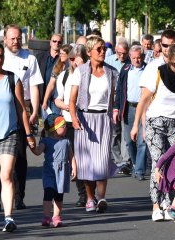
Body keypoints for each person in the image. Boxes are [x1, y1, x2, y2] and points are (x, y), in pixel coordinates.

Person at [130, 43, 175, 222]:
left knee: (174, 164)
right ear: (169, 61)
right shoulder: (158, 73)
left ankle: (167, 202)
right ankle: (156, 205)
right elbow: (143, 101)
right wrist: (135, 126)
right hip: (155, 122)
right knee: (159, 161)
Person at [69, 35, 119, 213]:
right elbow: (72, 100)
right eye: (98, 49)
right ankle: (90, 198)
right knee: (87, 163)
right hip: (85, 119)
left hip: (103, 119)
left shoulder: (112, 72)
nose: (102, 52)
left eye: (104, 49)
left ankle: (102, 197)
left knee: (102, 160)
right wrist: (74, 120)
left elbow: (114, 97)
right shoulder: (80, 71)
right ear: (89, 52)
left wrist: (115, 112)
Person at [0, 41, 35, 232]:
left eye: (0, 55)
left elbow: (21, 109)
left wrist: (28, 133)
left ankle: (9, 217)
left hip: (9, 134)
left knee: (6, 174)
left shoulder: (12, 79)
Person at [2, 24, 43, 210]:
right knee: (1, 155)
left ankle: (19, 196)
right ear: (5, 39)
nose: (15, 41)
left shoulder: (30, 58)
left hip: (23, 109)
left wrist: (34, 110)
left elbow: (34, 86)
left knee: (20, 155)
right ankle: (1, 195)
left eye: (18, 38)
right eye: (12, 38)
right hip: (2, 109)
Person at [54, 44, 88, 207]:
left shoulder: (90, 74)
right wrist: (67, 106)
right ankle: (83, 194)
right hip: (69, 120)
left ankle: (91, 193)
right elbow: (57, 99)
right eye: (72, 59)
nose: (74, 62)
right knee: (74, 158)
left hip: (89, 119)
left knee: (88, 158)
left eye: (77, 59)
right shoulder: (64, 76)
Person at [31, 113, 76, 227]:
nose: (66, 128)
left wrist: (74, 168)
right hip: (49, 171)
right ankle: (46, 216)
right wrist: (32, 146)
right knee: (48, 193)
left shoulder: (66, 141)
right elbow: (38, 152)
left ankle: (56, 216)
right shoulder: (45, 141)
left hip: (62, 172)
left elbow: (71, 156)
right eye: (63, 126)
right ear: (55, 128)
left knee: (58, 196)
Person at [113, 45, 147, 181]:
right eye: (134, 58)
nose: (137, 60)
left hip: (144, 108)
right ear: (130, 58)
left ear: (143, 57)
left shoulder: (148, 69)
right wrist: (116, 108)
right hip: (128, 109)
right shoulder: (125, 69)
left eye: (139, 58)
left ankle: (139, 170)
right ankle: (134, 164)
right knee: (128, 141)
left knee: (142, 141)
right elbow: (119, 90)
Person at [105, 37, 132, 174]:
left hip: (125, 100)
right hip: (112, 99)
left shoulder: (131, 62)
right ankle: (118, 159)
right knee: (114, 132)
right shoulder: (109, 62)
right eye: (119, 53)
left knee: (125, 131)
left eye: (124, 53)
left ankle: (125, 162)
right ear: (115, 51)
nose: (122, 56)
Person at [42, 44, 73, 113]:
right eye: (60, 53)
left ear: (69, 55)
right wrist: (45, 101)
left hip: (68, 101)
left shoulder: (73, 67)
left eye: (63, 54)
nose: (60, 55)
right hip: (57, 99)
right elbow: (51, 84)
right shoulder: (58, 65)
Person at [36, 33, 63, 108]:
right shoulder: (40, 57)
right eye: (54, 41)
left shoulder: (63, 59)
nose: (56, 43)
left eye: (59, 42)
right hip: (42, 95)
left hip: (56, 97)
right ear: (50, 42)